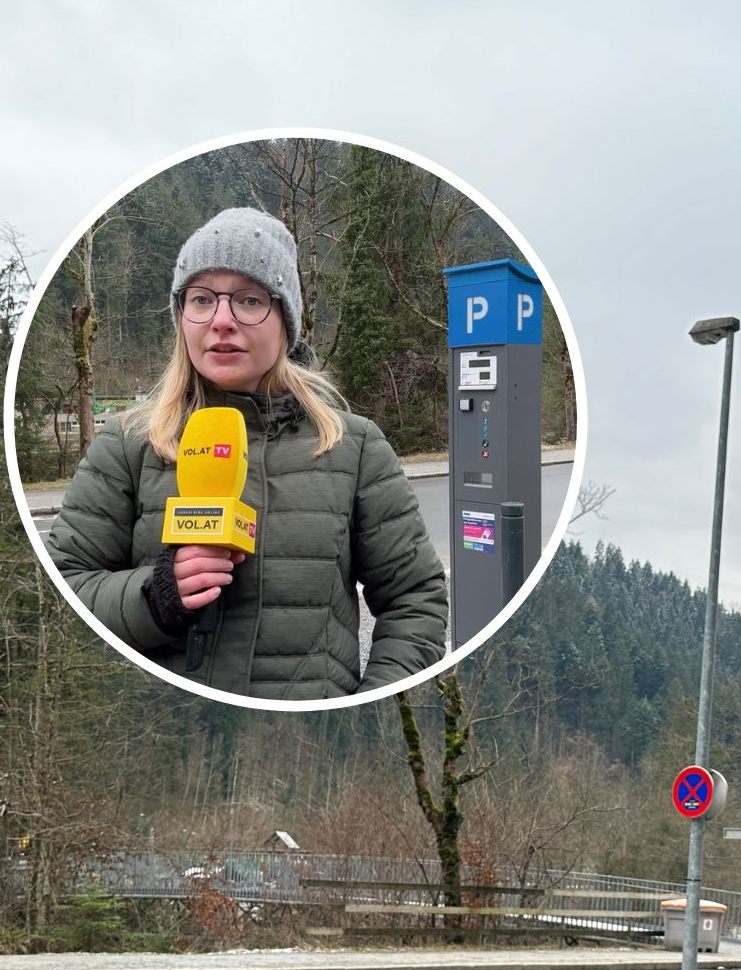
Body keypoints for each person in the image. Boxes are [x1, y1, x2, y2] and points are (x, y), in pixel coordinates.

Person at [47, 208, 448, 699]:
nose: (221, 321)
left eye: (249, 300)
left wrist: (366, 710)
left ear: (286, 320)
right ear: (181, 318)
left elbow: (415, 602)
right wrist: (156, 596)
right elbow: (62, 594)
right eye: (201, 299)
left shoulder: (354, 447)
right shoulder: (126, 445)